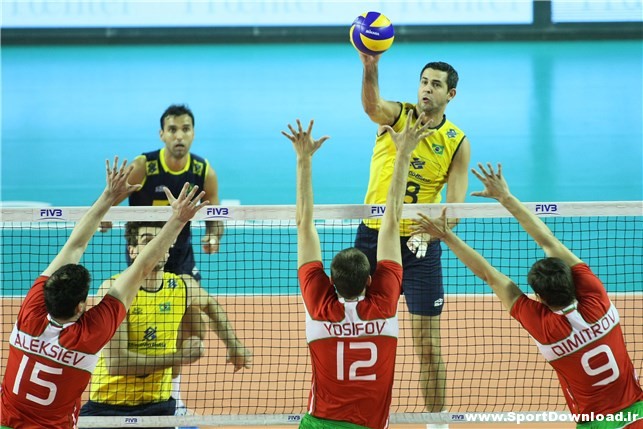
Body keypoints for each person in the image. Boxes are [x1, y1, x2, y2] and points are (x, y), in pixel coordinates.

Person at [413, 163, 643, 429]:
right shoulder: (597, 298)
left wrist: (446, 236)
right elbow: (548, 241)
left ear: (539, 298)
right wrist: (506, 198)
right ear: (572, 279)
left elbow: (489, 274)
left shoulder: (544, 326)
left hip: (596, 424)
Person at [0, 158, 208, 429]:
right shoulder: (90, 333)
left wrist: (108, 196)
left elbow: (75, 244)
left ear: (46, 292)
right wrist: (179, 219)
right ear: (81, 307)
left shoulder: (31, 310)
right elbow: (142, 267)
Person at [282, 114, 433, 429]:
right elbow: (391, 221)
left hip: (318, 424)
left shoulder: (318, 306)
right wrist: (404, 154)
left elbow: (303, 223)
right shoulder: (384, 305)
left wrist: (303, 159)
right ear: (370, 280)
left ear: (330, 282)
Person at [354, 52, 471, 415]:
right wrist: (370, 66)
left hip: (420, 250)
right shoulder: (398, 116)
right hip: (373, 239)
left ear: (450, 95)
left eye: (436, 85)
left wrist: (432, 234)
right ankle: (360, 416)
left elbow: (455, 209)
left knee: (428, 346)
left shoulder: (457, 142)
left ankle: (438, 422)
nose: (426, 90)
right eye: (424, 82)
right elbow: (372, 105)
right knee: (363, 338)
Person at [100, 103, 224, 413]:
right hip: (143, 259)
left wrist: (213, 236)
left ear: (193, 133)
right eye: (172, 130)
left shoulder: (202, 171)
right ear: (162, 134)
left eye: (185, 129)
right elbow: (113, 194)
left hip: (180, 258)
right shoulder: (146, 166)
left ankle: (173, 397)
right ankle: (141, 391)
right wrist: (103, 215)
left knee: (191, 330)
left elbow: (215, 215)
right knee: (141, 331)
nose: (179, 136)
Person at [80, 221, 252, 424]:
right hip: (109, 407)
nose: (157, 246)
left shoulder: (181, 286)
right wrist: (180, 357)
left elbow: (211, 305)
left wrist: (234, 345)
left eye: (162, 240)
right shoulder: (115, 290)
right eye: (148, 241)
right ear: (132, 250)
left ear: (168, 250)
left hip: (158, 408)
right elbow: (118, 364)